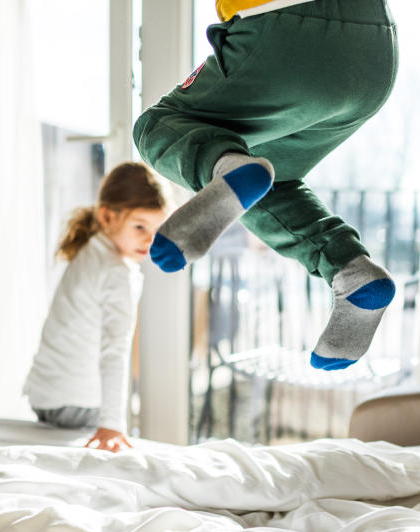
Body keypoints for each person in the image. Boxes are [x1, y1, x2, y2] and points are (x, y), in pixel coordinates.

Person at [133, 0, 398, 371]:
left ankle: (226, 169)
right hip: (375, 53)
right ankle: (351, 272)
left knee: (158, 126)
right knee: (271, 179)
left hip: (285, 29)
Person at [24, 162, 167, 452]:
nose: (150, 240)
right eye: (139, 226)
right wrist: (113, 424)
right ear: (107, 216)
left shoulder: (90, 249)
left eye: (157, 229)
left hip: (44, 397)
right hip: (74, 405)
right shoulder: (117, 272)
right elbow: (115, 350)